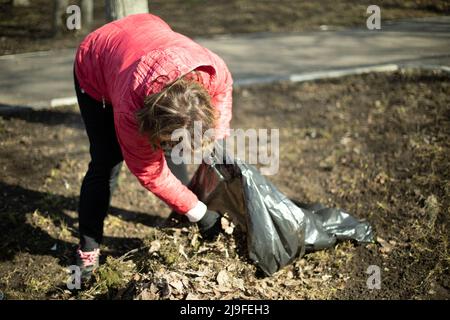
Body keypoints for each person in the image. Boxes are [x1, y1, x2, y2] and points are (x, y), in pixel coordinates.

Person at [73, 13, 233, 281]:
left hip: (145, 33)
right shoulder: (129, 111)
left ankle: (182, 210)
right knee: (106, 162)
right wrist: (200, 213)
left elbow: (224, 92)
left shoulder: (210, 70)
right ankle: (88, 247)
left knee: (173, 148)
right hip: (96, 62)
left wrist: (219, 139)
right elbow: (150, 173)